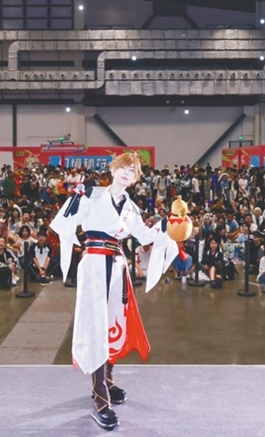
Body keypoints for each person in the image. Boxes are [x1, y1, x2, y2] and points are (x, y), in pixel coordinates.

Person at [50, 152, 180, 430]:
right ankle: (99, 395)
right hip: (95, 264)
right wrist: (75, 198)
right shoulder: (93, 196)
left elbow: (145, 236)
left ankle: (107, 379)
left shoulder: (131, 207)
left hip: (118, 267)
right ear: (113, 170)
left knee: (113, 323)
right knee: (96, 325)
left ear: (135, 179)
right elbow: (66, 222)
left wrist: (169, 227)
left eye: (132, 171)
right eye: (123, 167)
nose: (126, 173)